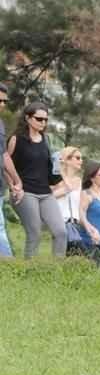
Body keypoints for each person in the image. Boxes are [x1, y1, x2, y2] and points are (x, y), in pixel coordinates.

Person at [6, 101, 67, 258]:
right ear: (27, 118)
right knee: (35, 233)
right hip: (25, 192)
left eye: (46, 120)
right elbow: (4, 164)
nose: (43, 123)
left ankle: (57, 271)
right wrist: (13, 186)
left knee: (60, 232)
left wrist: (58, 171)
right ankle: (29, 272)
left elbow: (48, 168)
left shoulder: (46, 139)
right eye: (39, 119)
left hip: (45, 193)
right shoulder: (16, 139)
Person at [53, 146, 85, 254]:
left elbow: (80, 207)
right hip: (61, 225)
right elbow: (49, 198)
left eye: (81, 158)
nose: (81, 161)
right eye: (78, 158)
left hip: (76, 226)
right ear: (67, 160)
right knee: (61, 259)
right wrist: (61, 172)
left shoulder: (79, 181)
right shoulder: (56, 181)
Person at [0, 83, 14, 258]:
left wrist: (14, 181)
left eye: (4, 101)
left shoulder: (1, 124)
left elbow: (3, 156)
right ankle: (9, 266)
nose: (2, 104)